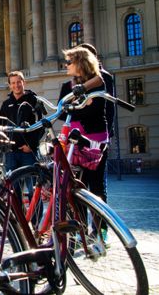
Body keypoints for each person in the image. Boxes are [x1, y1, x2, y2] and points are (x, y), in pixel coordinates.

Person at [58, 46, 109, 204]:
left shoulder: (98, 83)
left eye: (69, 62)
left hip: (93, 141)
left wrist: (76, 108)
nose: (65, 65)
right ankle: (82, 228)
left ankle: (100, 228)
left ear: (80, 63)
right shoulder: (67, 86)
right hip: (72, 141)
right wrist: (84, 104)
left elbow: (97, 110)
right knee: (76, 187)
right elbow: (62, 112)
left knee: (96, 187)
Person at [0, 71, 44, 173]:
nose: (16, 85)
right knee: (12, 186)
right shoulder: (6, 104)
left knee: (32, 185)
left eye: (19, 82)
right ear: (10, 85)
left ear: (24, 82)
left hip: (29, 152)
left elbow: (42, 125)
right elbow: (0, 125)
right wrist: (5, 145)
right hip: (10, 152)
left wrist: (31, 146)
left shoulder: (34, 101)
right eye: (13, 83)